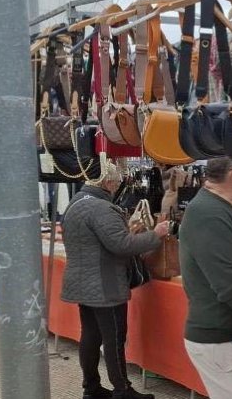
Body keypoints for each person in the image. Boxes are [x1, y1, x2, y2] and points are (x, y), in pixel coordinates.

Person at [61, 165, 170, 399]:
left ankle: (91, 387)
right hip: (105, 282)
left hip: (83, 281)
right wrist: (156, 234)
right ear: (107, 183)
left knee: (90, 335)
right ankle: (122, 390)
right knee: (114, 338)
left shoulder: (76, 203)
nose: (117, 187)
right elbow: (122, 246)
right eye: (116, 183)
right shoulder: (101, 208)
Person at [179, 158, 232, 399]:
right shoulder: (209, 213)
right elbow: (229, 285)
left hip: (231, 335)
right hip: (223, 339)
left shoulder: (226, 207)